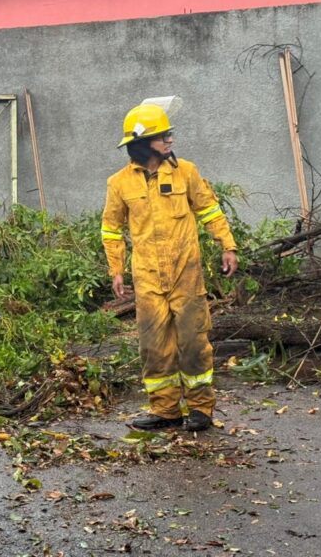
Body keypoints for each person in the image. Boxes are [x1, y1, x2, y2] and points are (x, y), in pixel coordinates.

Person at [101, 103, 238, 432]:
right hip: (147, 277)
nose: (170, 140)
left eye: (169, 134)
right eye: (163, 136)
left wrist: (228, 246)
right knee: (154, 346)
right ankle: (165, 410)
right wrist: (116, 270)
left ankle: (200, 409)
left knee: (193, 343)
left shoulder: (186, 172)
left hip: (185, 274)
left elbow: (209, 210)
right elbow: (111, 229)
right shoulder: (119, 183)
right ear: (143, 142)